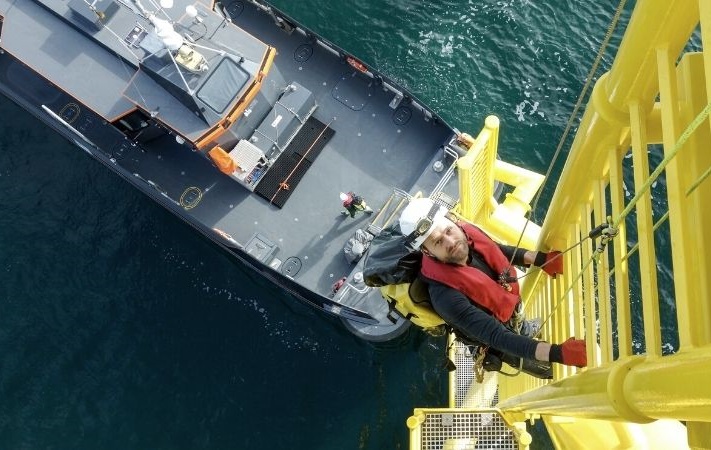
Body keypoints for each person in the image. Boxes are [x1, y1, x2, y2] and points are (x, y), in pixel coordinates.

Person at [398, 197, 587, 369]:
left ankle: (525, 328)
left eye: (448, 231)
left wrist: (541, 259)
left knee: (521, 325)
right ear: (427, 252)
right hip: (496, 337)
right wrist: (558, 353)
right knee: (545, 368)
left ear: (453, 221)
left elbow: (496, 252)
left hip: (507, 307)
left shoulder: (467, 235)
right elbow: (498, 336)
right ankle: (545, 368)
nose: (451, 241)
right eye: (438, 242)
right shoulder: (445, 296)